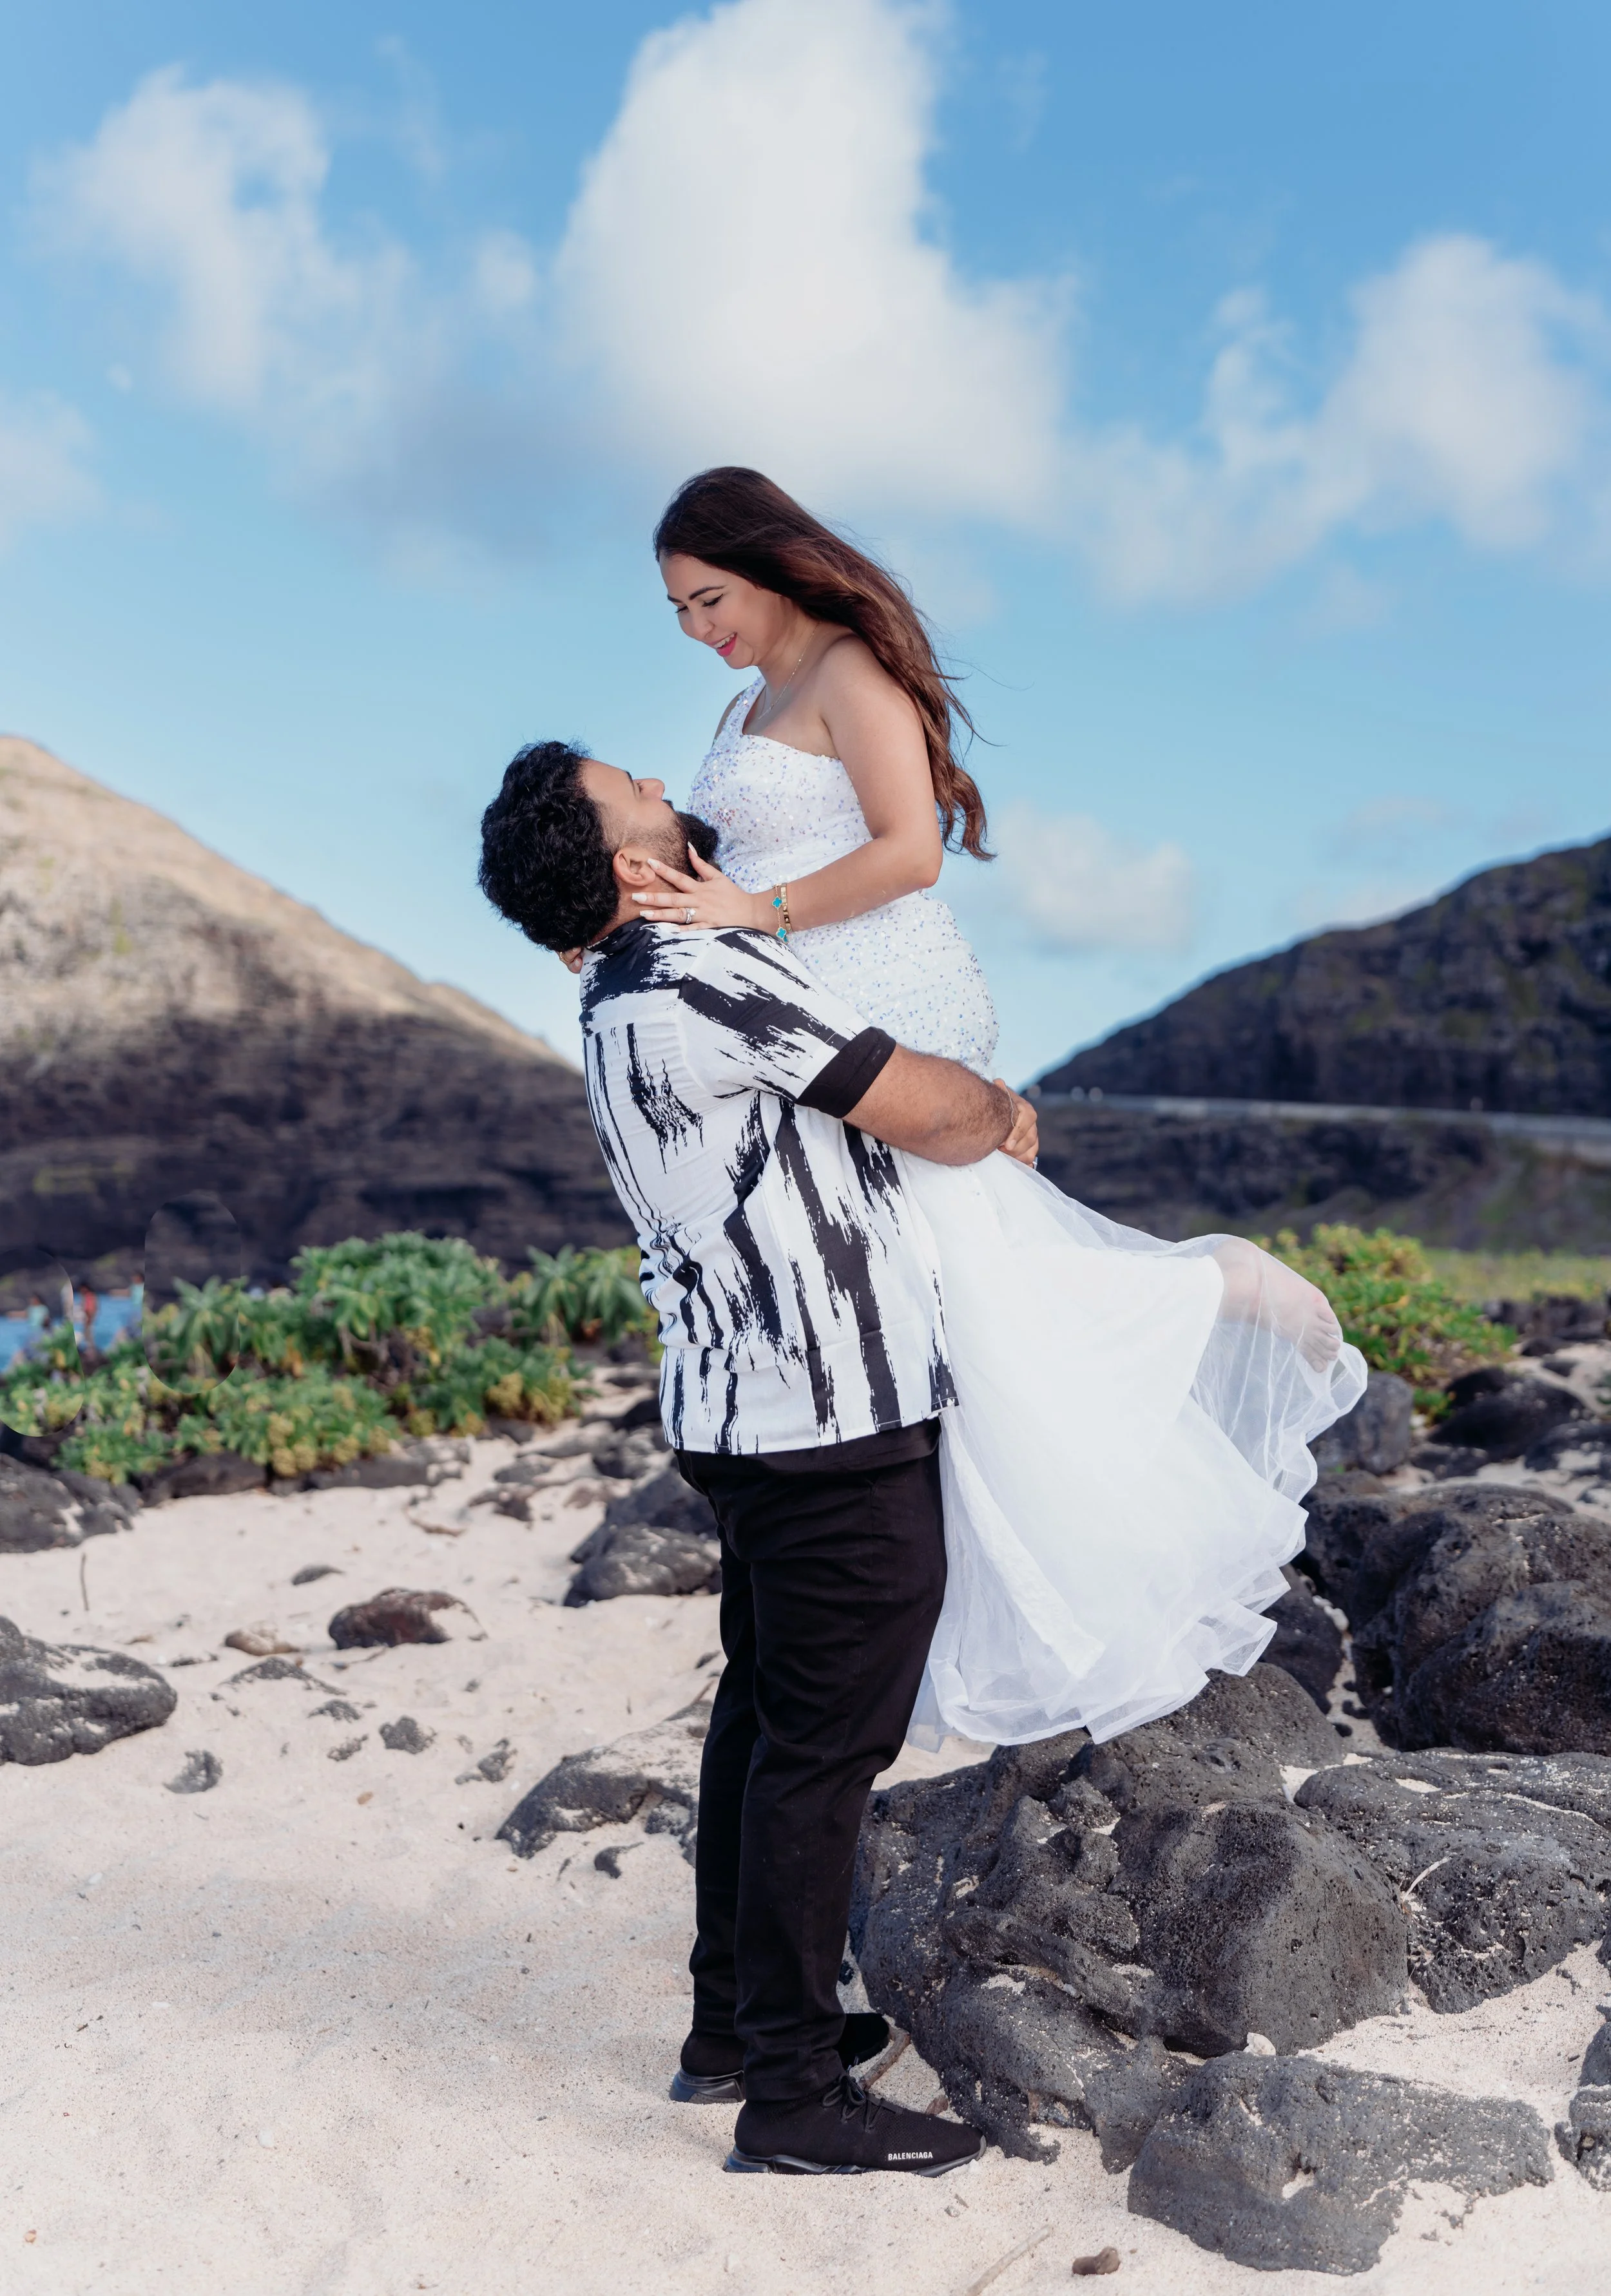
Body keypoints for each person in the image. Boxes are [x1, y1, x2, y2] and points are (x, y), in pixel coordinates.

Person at [632, 465, 1367, 1749]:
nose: (699, 631)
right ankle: (980, 1613)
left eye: (706, 598)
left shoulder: (851, 670)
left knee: (977, 1294)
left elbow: (910, 849)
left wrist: (756, 913)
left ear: (764, 561)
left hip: (883, 997)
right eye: (680, 615)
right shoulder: (752, 699)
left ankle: (1219, 1284)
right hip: (815, 1018)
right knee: (953, 1309)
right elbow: (745, 851)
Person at [478, 741, 1027, 2175]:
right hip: (831, 1414)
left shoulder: (610, 994)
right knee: (821, 1751)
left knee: (762, 1716)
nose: (663, 781)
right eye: (634, 789)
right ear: (626, 862)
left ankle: (730, 2025)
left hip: (736, 1413)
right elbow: (920, 1107)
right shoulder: (699, 975)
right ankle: (789, 2095)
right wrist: (1000, 1110)